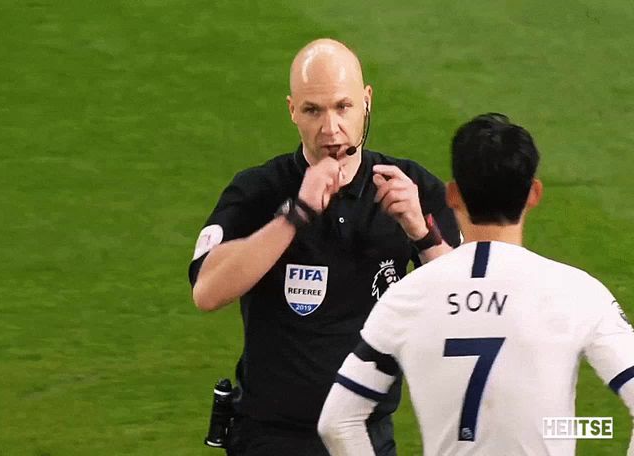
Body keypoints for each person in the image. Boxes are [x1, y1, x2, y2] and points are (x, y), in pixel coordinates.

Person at [189, 38, 460, 456]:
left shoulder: (411, 188)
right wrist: (294, 215)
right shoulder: (259, 190)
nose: (330, 129)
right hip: (270, 437)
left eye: (343, 106)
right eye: (313, 110)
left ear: (367, 101)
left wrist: (421, 234)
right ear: (292, 110)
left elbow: (463, 307)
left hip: (366, 435)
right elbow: (207, 292)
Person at [318, 113, 634, 455]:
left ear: (452, 195)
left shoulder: (407, 297)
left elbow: (337, 422)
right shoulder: (578, 292)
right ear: (534, 194)